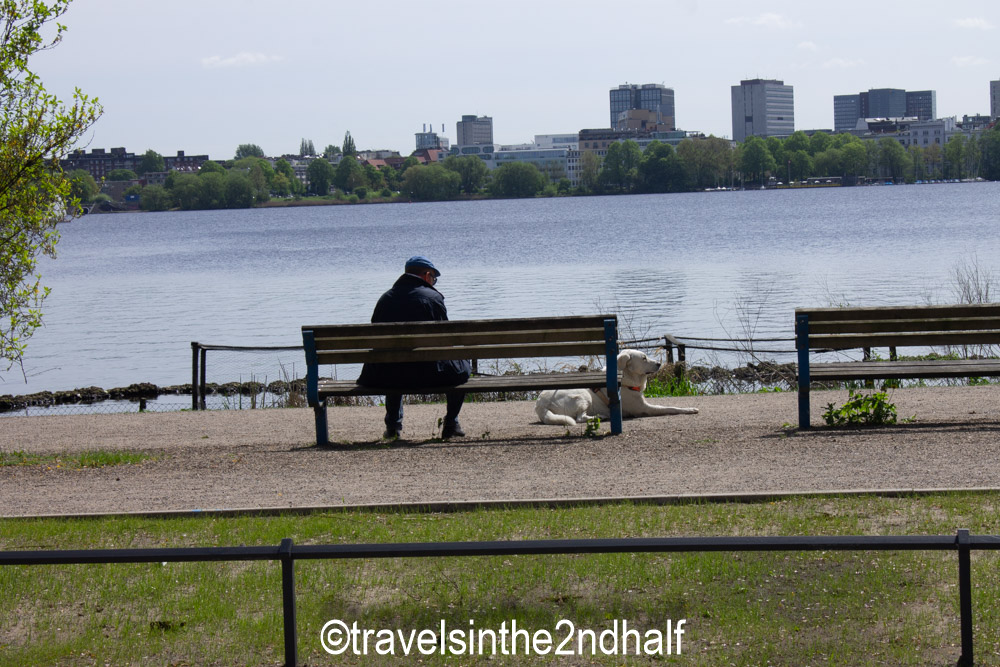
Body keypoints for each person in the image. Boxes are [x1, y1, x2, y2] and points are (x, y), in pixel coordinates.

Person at [358, 256, 470, 439]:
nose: (433, 282)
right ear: (426, 275)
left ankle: (393, 426)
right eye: (433, 278)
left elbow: (377, 343)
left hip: (387, 375)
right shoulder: (434, 298)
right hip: (432, 375)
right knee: (462, 364)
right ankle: (451, 423)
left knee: (393, 361)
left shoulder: (385, 299)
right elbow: (445, 341)